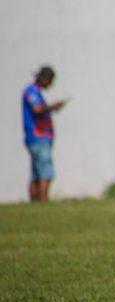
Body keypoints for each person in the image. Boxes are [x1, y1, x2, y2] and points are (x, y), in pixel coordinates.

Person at [22, 66, 67, 202]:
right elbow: (37, 109)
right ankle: (43, 204)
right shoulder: (31, 91)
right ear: (44, 78)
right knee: (45, 173)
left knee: (36, 174)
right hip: (38, 137)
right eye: (50, 81)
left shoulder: (35, 92)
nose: (51, 84)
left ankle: (35, 205)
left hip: (39, 138)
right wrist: (52, 106)